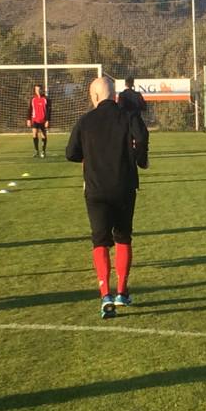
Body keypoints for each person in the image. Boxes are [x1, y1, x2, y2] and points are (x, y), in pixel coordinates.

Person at [66, 76, 148, 319]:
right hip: (124, 186)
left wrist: (89, 155)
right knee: (123, 237)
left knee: (100, 241)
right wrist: (140, 160)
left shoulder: (85, 120)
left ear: (94, 96)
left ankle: (105, 295)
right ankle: (122, 291)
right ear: (115, 95)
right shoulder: (128, 116)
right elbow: (142, 138)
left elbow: (71, 153)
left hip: (96, 190)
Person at [27, 84, 52, 158]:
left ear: (42, 90)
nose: (38, 91)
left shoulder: (46, 99)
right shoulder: (33, 99)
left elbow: (48, 111)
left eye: (39, 89)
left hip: (43, 120)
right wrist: (28, 119)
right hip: (35, 119)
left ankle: (43, 151)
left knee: (43, 135)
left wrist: (47, 120)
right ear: (35, 90)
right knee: (34, 134)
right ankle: (36, 151)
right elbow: (30, 109)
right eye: (36, 89)